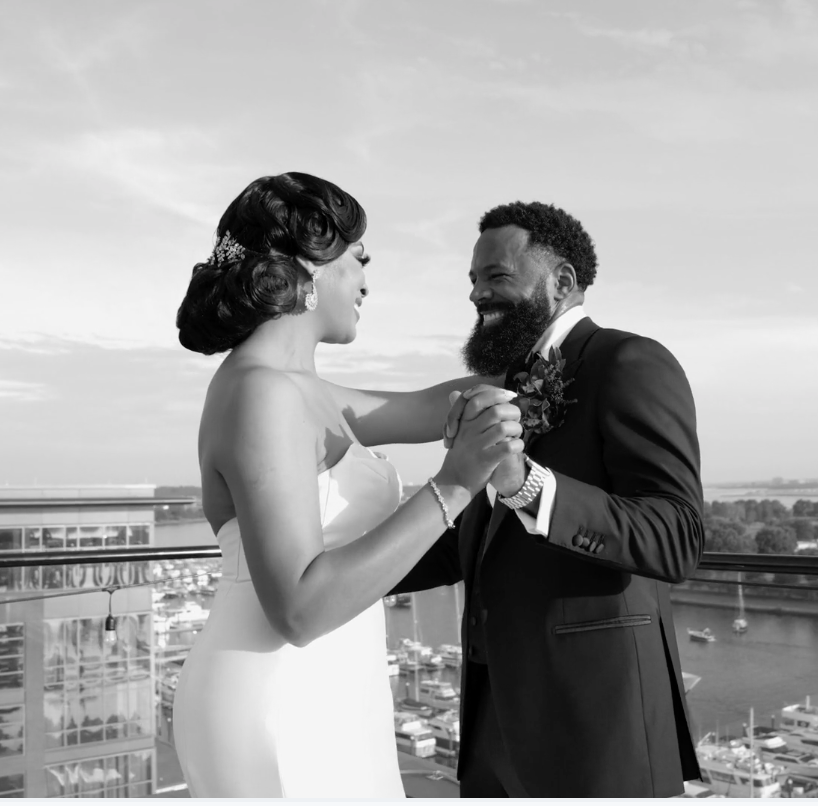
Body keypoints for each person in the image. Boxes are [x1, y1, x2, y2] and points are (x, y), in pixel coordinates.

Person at [171, 172, 523, 798]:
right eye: (359, 259)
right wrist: (455, 486)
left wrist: (562, 340)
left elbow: (438, 403)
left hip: (332, 689)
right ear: (308, 268)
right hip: (281, 696)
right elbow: (300, 610)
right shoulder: (262, 394)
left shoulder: (301, 391)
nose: (368, 281)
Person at [393, 201, 705, 797]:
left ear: (561, 281)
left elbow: (678, 536)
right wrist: (340, 574)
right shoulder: (500, 387)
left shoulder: (628, 362)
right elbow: (472, 547)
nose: (477, 294)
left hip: (597, 731)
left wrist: (528, 485)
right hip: (493, 732)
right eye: (474, 280)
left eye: (496, 276)